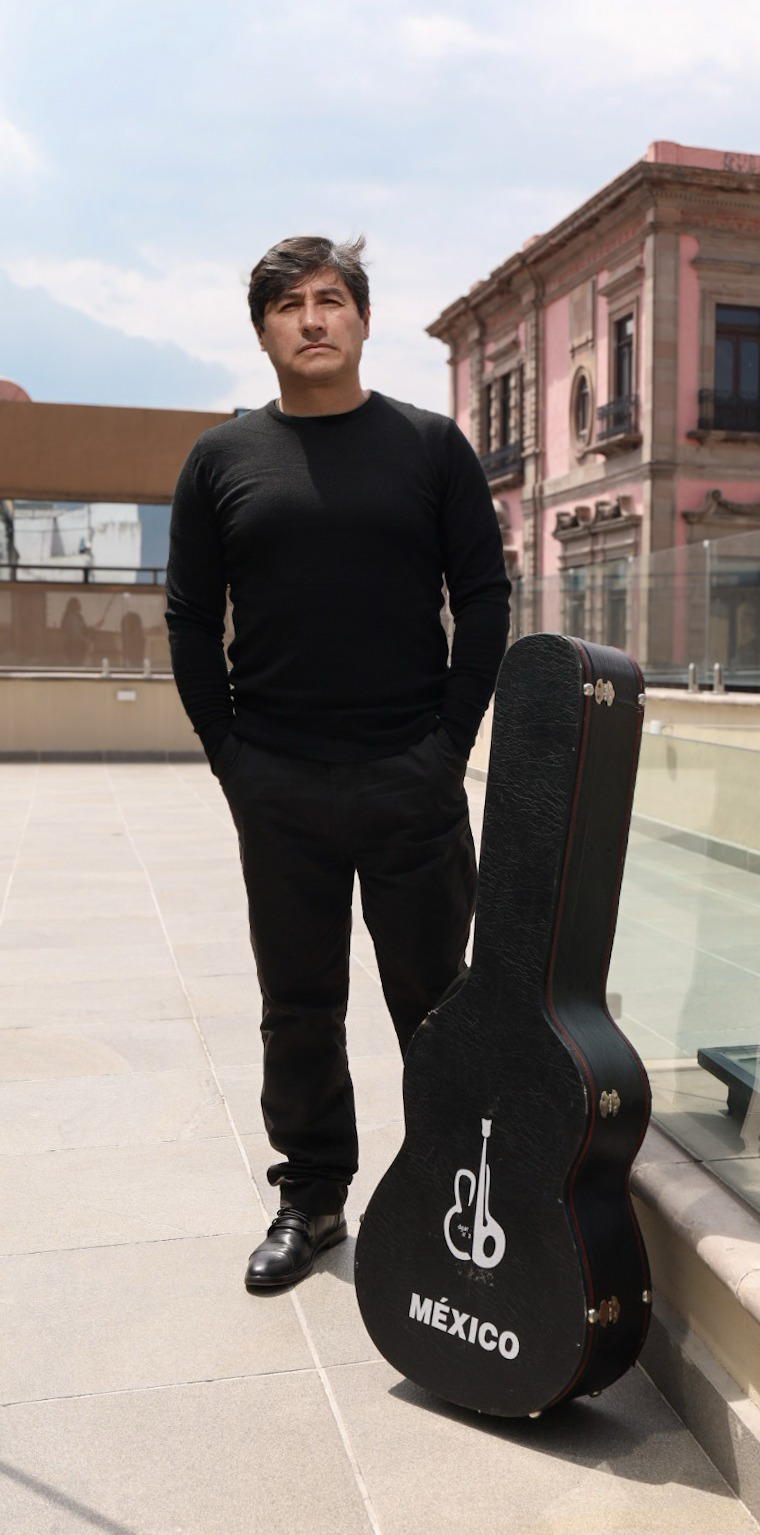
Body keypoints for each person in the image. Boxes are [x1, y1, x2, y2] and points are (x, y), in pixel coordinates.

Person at [166, 236, 510, 1291]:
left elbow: (485, 597)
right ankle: (313, 1198)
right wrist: (233, 757)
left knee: (436, 999)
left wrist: (447, 742)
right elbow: (188, 616)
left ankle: (470, 1194)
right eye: (286, 305)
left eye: (329, 300)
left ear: (361, 320)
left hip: (409, 773)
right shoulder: (223, 459)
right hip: (279, 778)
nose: (311, 318)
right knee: (299, 1002)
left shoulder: (429, 446)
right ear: (264, 330)